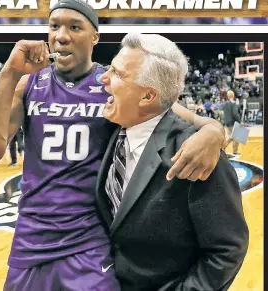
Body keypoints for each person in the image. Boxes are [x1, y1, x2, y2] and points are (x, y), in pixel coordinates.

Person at [0, 1, 226, 290]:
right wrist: (9, 73)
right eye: (54, 26)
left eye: (74, 27)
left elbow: (185, 117)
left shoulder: (113, 84)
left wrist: (214, 132)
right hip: (30, 243)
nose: (61, 36)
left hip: (89, 246)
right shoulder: (27, 85)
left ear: (95, 37)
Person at [96, 33, 249, 291]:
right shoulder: (115, 124)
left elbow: (227, 250)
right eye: (109, 67)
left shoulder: (196, 156)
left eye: (118, 74)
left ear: (147, 97)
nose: (103, 78)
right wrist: (213, 128)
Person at [223, 90, 241, 154]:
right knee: (236, 137)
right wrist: (240, 121)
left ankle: (223, 147)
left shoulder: (225, 104)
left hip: (227, 123)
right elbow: (235, 114)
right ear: (233, 95)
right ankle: (234, 151)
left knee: (231, 136)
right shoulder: (234, 104)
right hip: (233, 123)